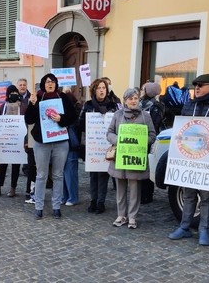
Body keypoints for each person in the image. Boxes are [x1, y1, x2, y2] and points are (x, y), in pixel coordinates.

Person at [168, 74, 209, 246]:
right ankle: (184, 227)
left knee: (206, 197)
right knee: (188, 193)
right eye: (195, 85)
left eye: (200, 85)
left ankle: (204, 230)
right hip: (188, 158)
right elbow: (182, 131)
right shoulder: (189, 105)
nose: (196, 88)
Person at [24, 73, 77, 220]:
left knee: (58, 175)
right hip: (41, 142)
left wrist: (61, 119)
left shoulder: (63, 97)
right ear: (43, 84)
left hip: (60, 141)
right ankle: (38, 207)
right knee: (41, 175)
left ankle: (56, 206)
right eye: (47, 81)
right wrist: (31, 104)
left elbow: (73, 116)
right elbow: (29, 119)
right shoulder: (38, 98)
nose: (50, 83)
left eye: (53, 81)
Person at [107, 88, 156, 229]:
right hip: (120, 157)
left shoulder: (145, 116)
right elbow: (109, 132)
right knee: (120, 188)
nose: (133, 101)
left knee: (135, 189)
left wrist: (141, 140)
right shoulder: (117, 115)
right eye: (130, 99)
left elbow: (152, 135)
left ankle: (133, 217)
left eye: (136, 98)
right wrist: (118, 139)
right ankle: (121, 215)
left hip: (135, 157)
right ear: (125, 101)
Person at [79, 78, 120, 213]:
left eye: (104, 88)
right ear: (94, 90)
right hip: (93, 144)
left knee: (103, 174)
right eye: (99, 88)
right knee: (93, 175)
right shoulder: (88, 105)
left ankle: (101, 202)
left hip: (107, 144)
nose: (102, 90)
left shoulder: (113, 106)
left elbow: (118, 124)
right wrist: (87, 120)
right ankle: (93, 200)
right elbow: (80, 124)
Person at [0, 85, 22, 199]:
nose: (14, 94)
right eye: (12, 92)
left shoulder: (23, 106)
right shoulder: (2, 107)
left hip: (18, 139)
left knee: (16, 165)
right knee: (3, 165)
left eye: (16, 92)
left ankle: (13, 188)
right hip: (5, 139)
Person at [139, 81, 164, 204]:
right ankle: (144, 194)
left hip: (149, 139)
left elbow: (155, 123)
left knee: (147, 166)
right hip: (143, 138)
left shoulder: (154, 106)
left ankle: (146, 194)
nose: (141, 91)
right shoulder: (144, 104)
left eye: (143, 89)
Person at [62, 89, 83, 206]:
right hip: (64, 143)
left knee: (70, 173)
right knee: (63, 172)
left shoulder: (76, 110)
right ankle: (65, 196)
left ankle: (72, 197)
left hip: (72, 145)